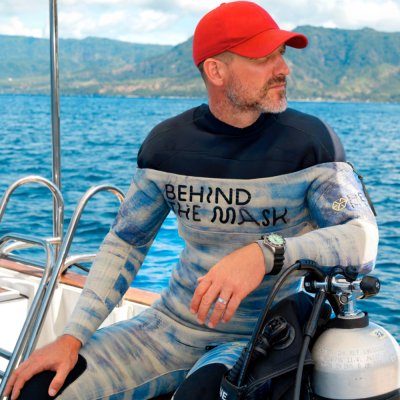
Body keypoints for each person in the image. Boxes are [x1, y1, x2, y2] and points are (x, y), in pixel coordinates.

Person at [5, 1, 378, 399]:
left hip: (263, 336)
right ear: (216, 71)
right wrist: (72, 337)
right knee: (37, 391)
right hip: (167, 329)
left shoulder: (311, 144)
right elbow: (127, 241)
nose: (283, 69)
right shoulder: (168, 146)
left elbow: (362, 239)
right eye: (263, 58)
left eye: (281, 55)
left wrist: (264, 253)